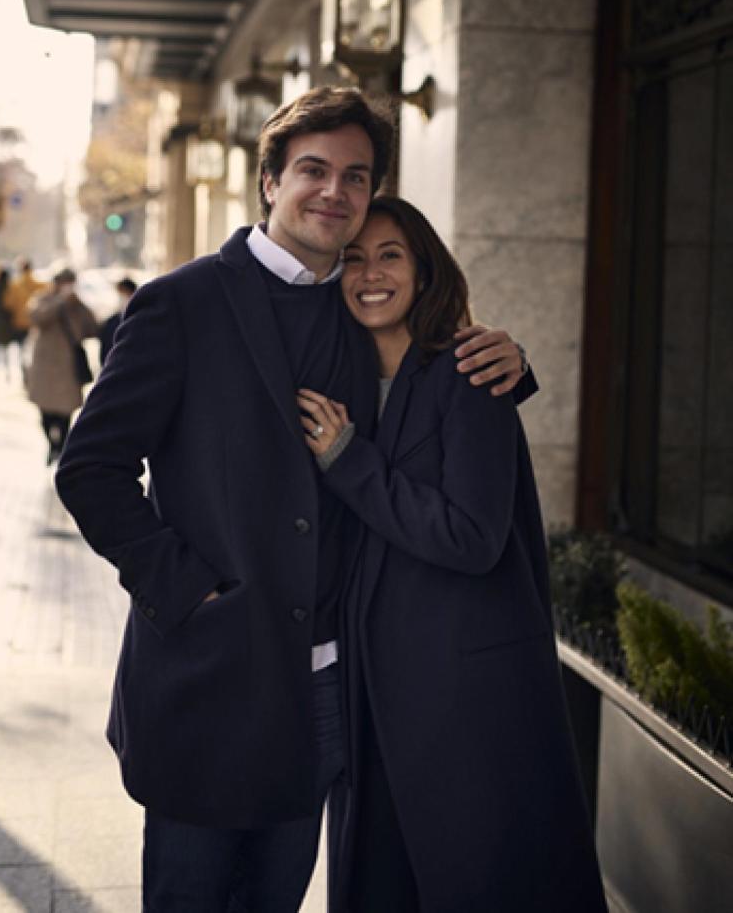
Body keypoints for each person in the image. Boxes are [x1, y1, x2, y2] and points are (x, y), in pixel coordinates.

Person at [54, 87, 527, 913]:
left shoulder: (365, 307)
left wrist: (508, 359)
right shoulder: (181, 303)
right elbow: (89, 468)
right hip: (209, 673)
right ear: (269, 181)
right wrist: (187, 589)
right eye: (313, 170)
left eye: (355, 176)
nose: (334, 192)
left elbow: (434, 387)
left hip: (326, 689)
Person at [297, 196, 608, 913]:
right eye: (352, 258)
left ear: (425, 270)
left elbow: (471, 536)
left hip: (458, 691)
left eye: (390, 255)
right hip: (371, 684)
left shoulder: (470, 372)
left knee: (475, 877)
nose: (369, 273)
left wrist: (348, 462)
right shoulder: (340, 380)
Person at [26, 267, 98, 465]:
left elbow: (92, 327)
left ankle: (61, 448)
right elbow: (36, 318)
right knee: (44, 412)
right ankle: (52, 444)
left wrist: (78, 305)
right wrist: (59, 303)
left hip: (68, 367)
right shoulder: (44, 298)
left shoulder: (77, 305)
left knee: (65, 413)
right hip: (45, 365)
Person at [98, 276, 138, 366]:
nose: (122, 298)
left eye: (125, 294)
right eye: (120, 293)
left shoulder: (143, 319)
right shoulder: (111, 322)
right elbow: (105, 353)